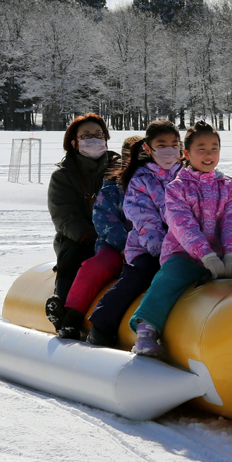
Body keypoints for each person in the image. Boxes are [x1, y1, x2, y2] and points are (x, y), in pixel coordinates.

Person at [127, 120, 232, 356]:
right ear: (186, 153)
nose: (209, 155)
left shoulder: (229, 187)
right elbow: (182, 225)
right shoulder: (176, 188)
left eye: (214, 148)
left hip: (223, 256)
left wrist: (230, 254)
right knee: (167, 280)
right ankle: (146, 330)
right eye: (202, 149)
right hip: (184, 255)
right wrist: (206, 255)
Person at [85, 120, 183, 347]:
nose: (169, 150)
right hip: (148, 248)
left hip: (184, 248)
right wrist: (162, 251)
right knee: (139, 274)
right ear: (148, 148)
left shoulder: (187, 177)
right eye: (162, 144)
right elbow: (145, 220)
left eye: (174, 144)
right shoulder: (139, 180)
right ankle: (102, 324)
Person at [55, 135, 142, 339]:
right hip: (115, 248)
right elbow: (104, 219)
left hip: (148, 249)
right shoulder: (113, 187)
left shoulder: (159, 185)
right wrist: (123, 246)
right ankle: (72, 317)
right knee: (95, 267)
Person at [46, 114, 119, 326]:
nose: (94, 139)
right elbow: (64, 215)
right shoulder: (63, 176)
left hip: (115, 235)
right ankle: (62, 307)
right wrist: (88, 236)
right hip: (77, 238)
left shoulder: (119, 169)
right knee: (73, 258)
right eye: (86, 136)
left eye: (98, 135)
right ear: (74, 142)